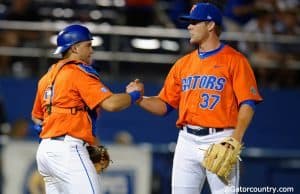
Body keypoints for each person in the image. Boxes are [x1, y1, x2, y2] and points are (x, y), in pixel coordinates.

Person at [127, 2, 263, 194]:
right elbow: (164, 106)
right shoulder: (183, 64)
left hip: (221, 138)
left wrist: (235, 139)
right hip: (186, 140)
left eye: (195, 22)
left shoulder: (235, 60)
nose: (189, 26)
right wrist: (140, 99)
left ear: (210, 25)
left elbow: (248, 104)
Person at [31, 24, 142, 194]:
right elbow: (111, 104)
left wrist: (50, 131)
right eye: (88, 45)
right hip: (68, 150)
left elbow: (37, 118)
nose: (92, 50)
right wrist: (134, 95)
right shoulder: (77, 72)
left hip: (45, 152)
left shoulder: (46, 77)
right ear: (75, 48)